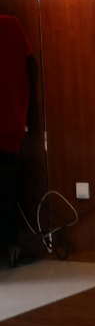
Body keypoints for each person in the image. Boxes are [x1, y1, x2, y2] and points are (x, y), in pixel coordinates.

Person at [0, 15, 35, 268]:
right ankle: (11, 247)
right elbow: (28, 68)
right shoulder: (10, 26)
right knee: (6, 189)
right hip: (9, 124)